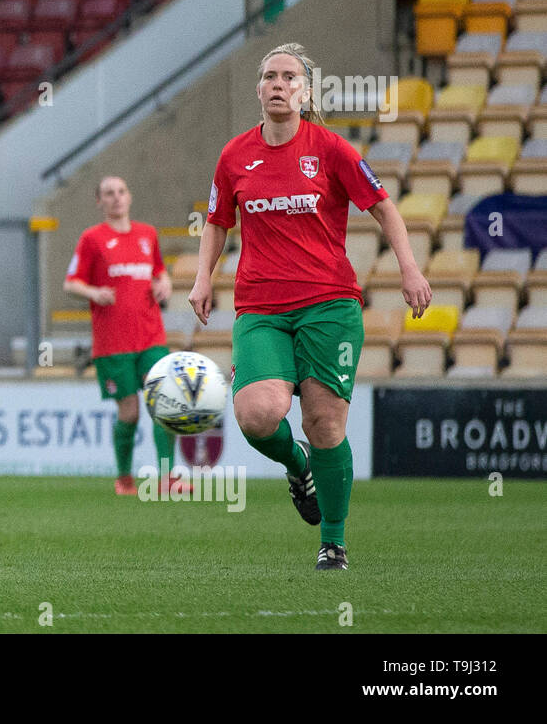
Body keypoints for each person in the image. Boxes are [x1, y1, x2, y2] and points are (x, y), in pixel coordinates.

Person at [190, 42, 431, 571]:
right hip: (261, 308)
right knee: (257, 414)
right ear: (258, 89)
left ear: (305, 92)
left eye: (289, 77)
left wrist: (409, 268)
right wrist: (203, 277)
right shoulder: (234, 156)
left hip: (328, 305)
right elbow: (216, 221)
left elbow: (384, 207)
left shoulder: (331, 149)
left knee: (324, 421)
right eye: (270, 76)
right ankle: (297, 465)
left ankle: (333, 542)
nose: (278, 84)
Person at [63, 176, 180, 496]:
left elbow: (158, 271)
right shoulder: (92, 238)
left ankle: (168, 478)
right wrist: (94, 292)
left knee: (164, 402)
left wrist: (165, 282)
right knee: (129, 411)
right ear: (99, 201)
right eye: (108, 193)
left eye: (121, 191)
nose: (116, 198)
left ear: (129, 196)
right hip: (113, 343)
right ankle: (125, 479)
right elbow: (71, 282)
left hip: (151, 336)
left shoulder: (147, 234)